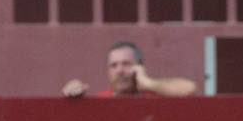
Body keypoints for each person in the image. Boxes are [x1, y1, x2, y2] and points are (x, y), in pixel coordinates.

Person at [62, 41, 199, 98]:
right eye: (113, 65)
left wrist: (148, 83)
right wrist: (73, 95)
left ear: (139, 67)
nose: (119, 70)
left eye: (126, 64)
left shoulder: (153, 97)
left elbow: (190, 88)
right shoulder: (101, 101)